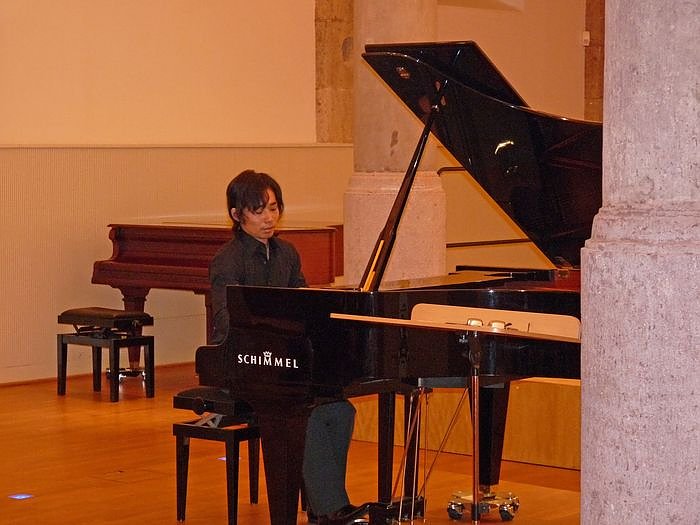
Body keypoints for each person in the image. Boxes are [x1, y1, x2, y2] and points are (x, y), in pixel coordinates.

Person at [209, 169, 368, 525]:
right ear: (236, 214)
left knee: (340, 410)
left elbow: (304, 306)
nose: (269, 218)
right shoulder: (228, 260)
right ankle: (330, 509)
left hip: (285, 365)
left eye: (274, 208)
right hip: (244, 364)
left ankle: (323, 505)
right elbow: (225, 322)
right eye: (258, 210)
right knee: (303, 411)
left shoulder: (287, 253)